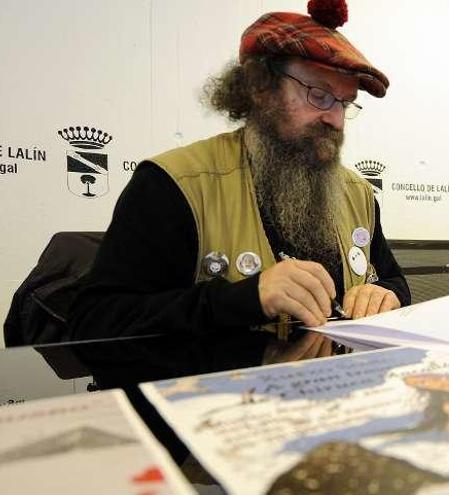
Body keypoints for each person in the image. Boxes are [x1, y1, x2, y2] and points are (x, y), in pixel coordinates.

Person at [69, 0, 409, 341]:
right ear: (260, 87)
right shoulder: (173, 183)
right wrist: (244, 298)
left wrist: (387, 295)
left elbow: (393, 281)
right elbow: (96, 320)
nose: (334, 119)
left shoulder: (358, 193)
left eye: (345, 103)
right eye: (319, 95)